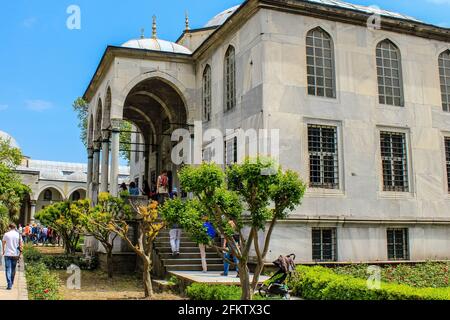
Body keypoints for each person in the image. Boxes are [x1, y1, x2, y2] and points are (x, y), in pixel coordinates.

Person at [2, 223, 22, 290]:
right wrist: (20, 253)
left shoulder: (6, 234)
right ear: (15, 227)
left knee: (8, 269)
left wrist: (3, 251)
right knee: (13, 269)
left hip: (7, 254)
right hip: (15, 254)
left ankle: (9, 284)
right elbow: (21, 245)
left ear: (9, 227)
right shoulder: (18, 235)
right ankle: (11, 282)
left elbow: (3, 243)